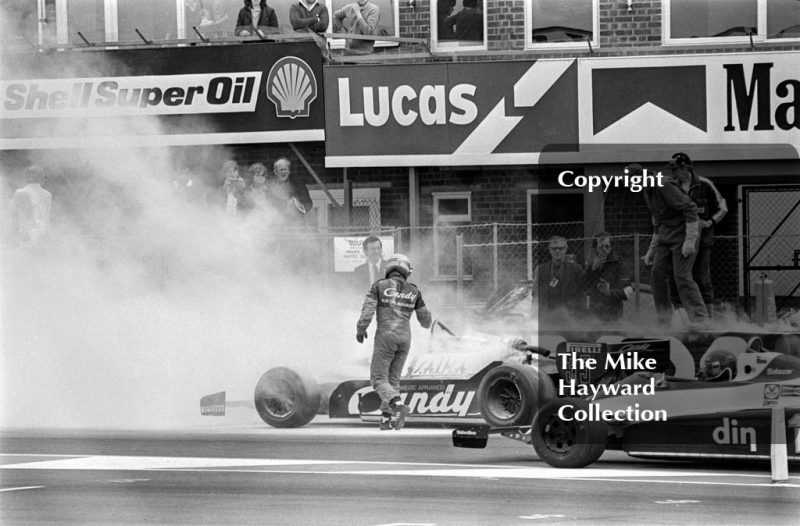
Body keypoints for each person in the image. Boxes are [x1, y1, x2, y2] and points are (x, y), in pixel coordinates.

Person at [356, 254, 432, 431]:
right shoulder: (414, 291)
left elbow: (367, 311)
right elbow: (426, 321)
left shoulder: (379, 286)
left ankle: (397, 404)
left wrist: (361, 329)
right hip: (405, 338)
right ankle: (385, 419)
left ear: (388, 269)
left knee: (378, 379)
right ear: (407, 271)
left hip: (385, 336)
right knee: (393, 380)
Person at [630, 161, 708, 326]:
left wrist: (690, 239)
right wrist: (652, 248)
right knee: (656, 274)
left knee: (682, 276)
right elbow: (657, 219)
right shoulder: (647, 190)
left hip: (683, 232)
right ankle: (664, 319)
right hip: (665, 234)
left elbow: (690, 208)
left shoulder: (664, 185)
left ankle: (700, 320)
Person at [668, 153, 727, 321]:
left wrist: (708, 222)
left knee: (702, 277)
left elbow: (722, 207)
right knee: (677, 276)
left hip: (703, 240)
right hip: (679, 239)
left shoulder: (705, 184)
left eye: (675, 169)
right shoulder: (672, 186)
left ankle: (708, 317)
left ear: (685, 167)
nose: (673, 173)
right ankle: (680, 315)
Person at [531, 236, 585, 320]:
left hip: (570, 316)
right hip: (547, 317)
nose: (557, 251)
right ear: (549, 250)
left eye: (560, 248)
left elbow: (582, 294)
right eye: (554, 248)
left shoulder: (576, 269)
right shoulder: (541, 269)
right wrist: (534, 315)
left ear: (565, 249)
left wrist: (580, 315)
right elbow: (535, 294)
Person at [583, 232, 632, 322]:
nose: (604, 249)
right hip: (594, 316)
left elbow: (627, 292)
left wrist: (609, 292)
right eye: (601, 247)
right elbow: (583, 287)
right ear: (595, 248)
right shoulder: (591, 265)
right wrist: (592, 269)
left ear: (612, 246)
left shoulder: (620, 265)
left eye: (607, 246)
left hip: (614, 316)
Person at [9, 165, 53, 246]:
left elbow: (13, 215)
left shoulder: (20, 193)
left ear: (25, 178)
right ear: (41, 179)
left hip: (26, 237)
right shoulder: (47, 194)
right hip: (44, 236)